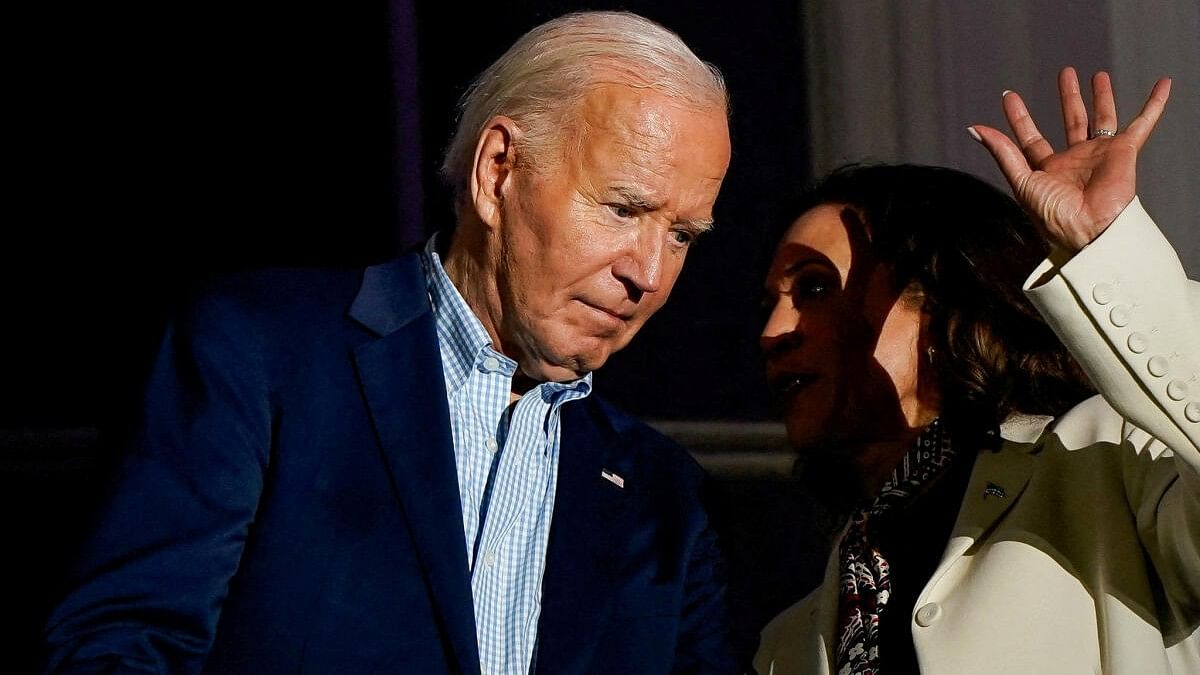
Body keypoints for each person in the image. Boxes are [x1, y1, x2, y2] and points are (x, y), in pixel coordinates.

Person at [42, 11, 738, 674]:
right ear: (498, 172)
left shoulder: (665, 500)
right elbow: (118, 647)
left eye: (681, 235)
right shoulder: (260, 356)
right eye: (624, 208)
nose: (648, 274)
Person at [755, 68, 1197, 674]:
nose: (773, 332)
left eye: (814, 287)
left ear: (937, 299)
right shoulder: (789, 644)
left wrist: (1106, 250)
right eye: (769, 304)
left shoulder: (1105, 462)